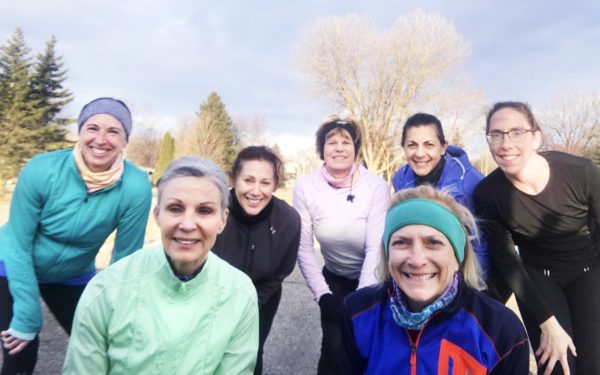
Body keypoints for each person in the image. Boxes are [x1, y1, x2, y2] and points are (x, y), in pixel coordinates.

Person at [62, 157, 259, 374]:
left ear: (223, 220)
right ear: (157, 215)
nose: (187, 225)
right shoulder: (106, 290)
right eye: (175, 208)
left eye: (204, 211)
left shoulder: (240, 294)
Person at [0, 97, 152, 374]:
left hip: (74, 273)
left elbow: (124, 258)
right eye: (93, 128)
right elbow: (18, 242)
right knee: (20, 348)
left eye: (113, 131)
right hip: (14, 264)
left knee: (103, 343)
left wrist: (118, 313)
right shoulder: (41, 169)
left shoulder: (135, 186)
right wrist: (27, 315)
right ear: (80, 131)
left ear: (125, 139)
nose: (101, 139)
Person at [340, 185, 530, 374]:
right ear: (387, 254)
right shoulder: (357, 313)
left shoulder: (500, 330)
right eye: (401, 242)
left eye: (433, 243)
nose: (416, 260)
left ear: (458, 256)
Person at [474, 101, 600, 375]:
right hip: (538, 277)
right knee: (558, 365)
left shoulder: (581, 173)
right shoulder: (488, 194)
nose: (505, 143)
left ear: (536, 136)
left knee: (592, 365)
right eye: (495, 134)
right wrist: (549, 325)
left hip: (589, 269)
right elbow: (507, 261)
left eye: (516, 132)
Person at [293, 116, 390, 374]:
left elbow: (375, 247)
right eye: (331, 142)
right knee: (334, 350)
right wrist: (322, 294)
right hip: (334, 280)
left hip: (374, 280)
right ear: (321, 149)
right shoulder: (305, 187)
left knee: (368, 347)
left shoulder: (376, 186)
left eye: (346, 141)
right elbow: (302, 247)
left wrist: (362, 297)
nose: (338, 147)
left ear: (355, 148)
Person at [213, 146, 300, 375]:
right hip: (212, 296)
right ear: (234, 179)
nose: (255, 191)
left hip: (262, 297)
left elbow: (281, 270)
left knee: (249, 352)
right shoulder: (213, 210)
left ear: (275, 184)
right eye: (248, 180)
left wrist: (250, 303)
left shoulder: (288, 220)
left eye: (265, 183)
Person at [391, 112, 489, 274]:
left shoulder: (470, 183)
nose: (420, 153)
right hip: (423, 265)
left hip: (464, 270)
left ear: (443, 147)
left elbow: (481, 244)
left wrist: (471, 288)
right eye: (412, 145)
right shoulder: (400, 179)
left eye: (429, 145)